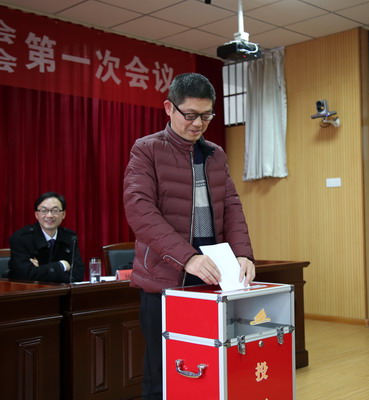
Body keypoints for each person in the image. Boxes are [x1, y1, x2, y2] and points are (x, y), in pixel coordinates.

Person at [123, 72, 255, 399]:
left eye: (206, 116)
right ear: (169, 108)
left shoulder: (215, 154)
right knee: (163, 373)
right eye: (191, 115)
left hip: (212, 277)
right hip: (165, 279)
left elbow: (231, 205)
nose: (198, 124)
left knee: (207, 366)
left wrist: (243, 253)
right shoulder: (147, 149)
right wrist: (187, 257)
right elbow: (139, 210)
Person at [8, 192, 85, 283]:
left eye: (55, 211)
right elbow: (26, 275)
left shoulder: (70, 237)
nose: (49, 215)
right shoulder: (21, 238)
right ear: (36, 214)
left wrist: (40, 271)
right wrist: (62, 266)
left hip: (61, 291)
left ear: (63, 214)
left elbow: (78, 275)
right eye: (44, 211)